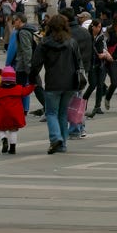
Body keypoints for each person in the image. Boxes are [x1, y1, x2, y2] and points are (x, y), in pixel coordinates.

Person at [30, 13, 84, 153]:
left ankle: (55, 138)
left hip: (53, 82)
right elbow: (79, 62)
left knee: (51, 113)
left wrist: (32, 78)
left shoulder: (44, 43)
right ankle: (62, 144)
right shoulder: (72, 42)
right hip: (70, 83)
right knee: (62, 113)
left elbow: (36, 64)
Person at [0, 64, 36, 154]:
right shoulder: (19, 89)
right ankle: (12, 148)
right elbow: (27, 91)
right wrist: (32, 86)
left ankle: (4, 139)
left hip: (2, 115)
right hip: (15, 115)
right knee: (13, 130)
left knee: (2, 129)